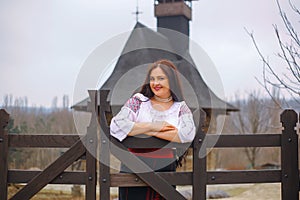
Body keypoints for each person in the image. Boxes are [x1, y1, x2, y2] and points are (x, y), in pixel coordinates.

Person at [110, 59, 196, 200]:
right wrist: (154, 126)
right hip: (133, 164)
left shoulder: (180, 108)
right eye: (152, 79)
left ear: (171, 81)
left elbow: (187, 134)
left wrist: (143, 130)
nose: (155, 83)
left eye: (161, 78)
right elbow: (117, 125)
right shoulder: (138, 101)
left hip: (165, 166)